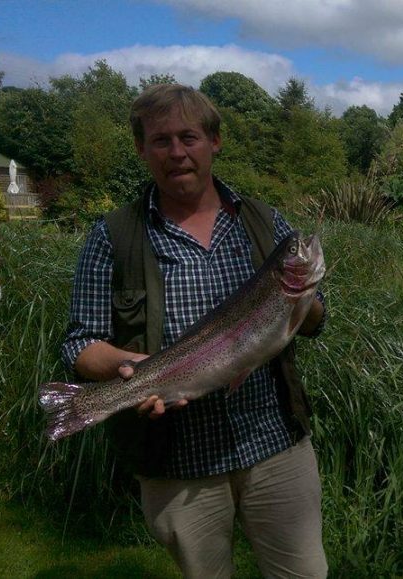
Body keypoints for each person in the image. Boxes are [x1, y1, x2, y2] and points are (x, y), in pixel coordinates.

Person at [60, 83, 328, 578]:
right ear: (142, 149)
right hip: (176, 460)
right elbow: (79, 344)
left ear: (214, 142)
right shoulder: (112, 238)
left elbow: (313, 322)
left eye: (189, 137)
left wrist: (300, 298)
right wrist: (130, 369)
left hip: (274, 444)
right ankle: (82, 406)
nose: (177, 152)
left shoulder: (265, 222)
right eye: (161, 140)